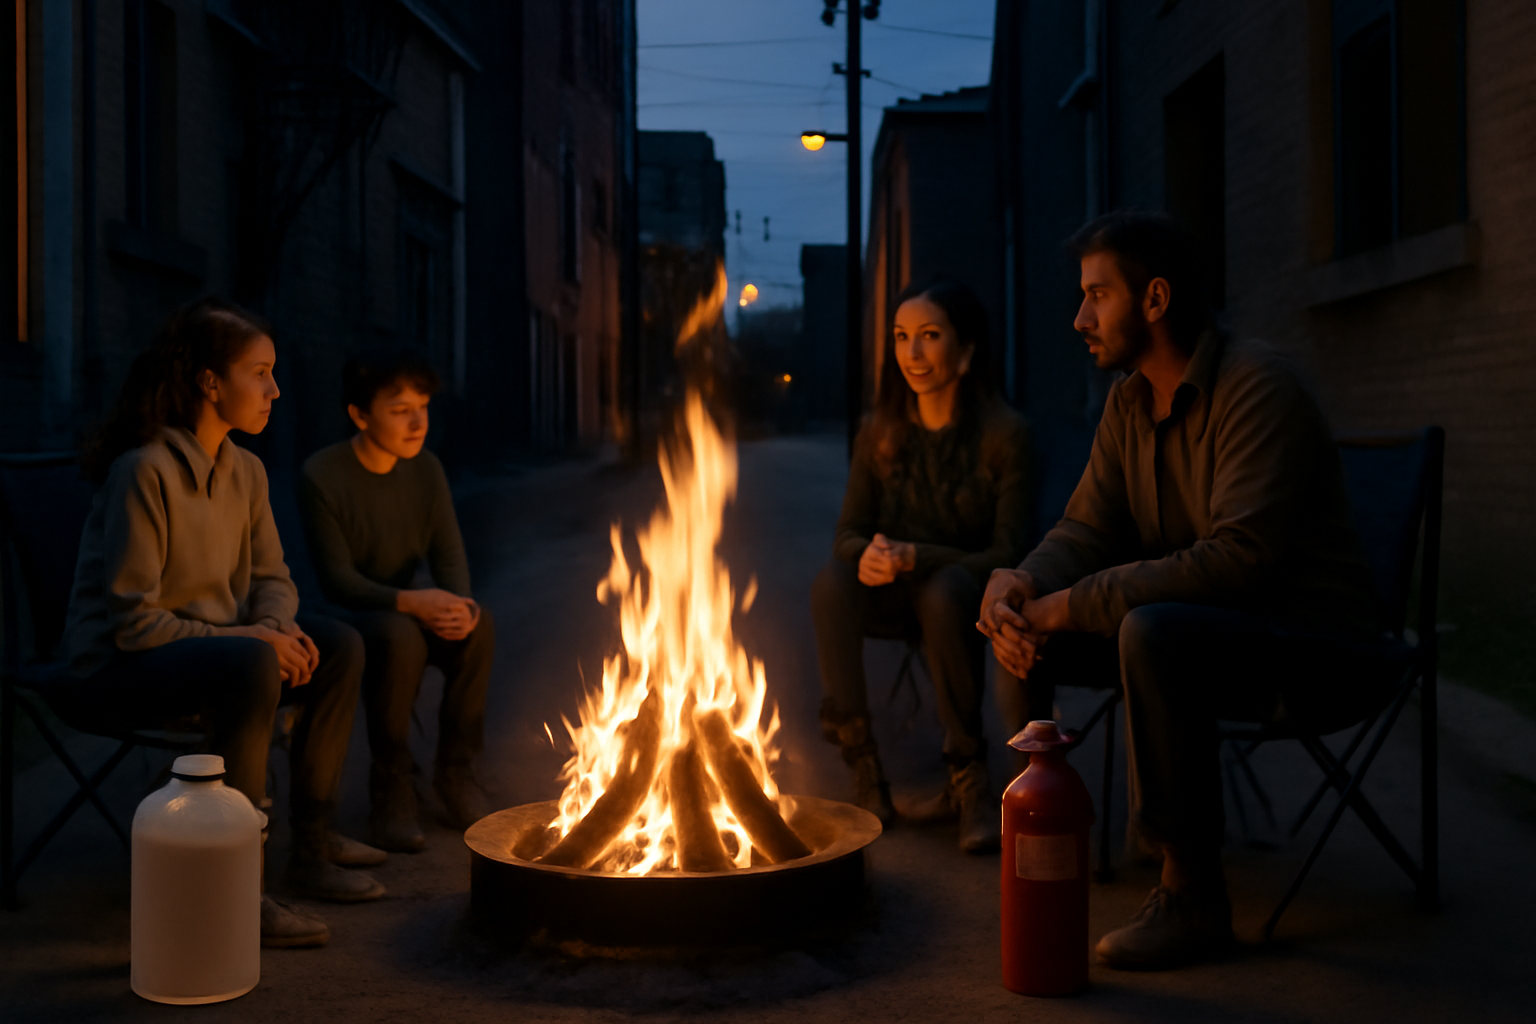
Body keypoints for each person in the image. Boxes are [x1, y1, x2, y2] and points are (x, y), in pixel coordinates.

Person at [978, 211, 1393, 969]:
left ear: (1156, 300)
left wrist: (1071, 603)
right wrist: (1023, 584)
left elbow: (1239, 562)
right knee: (1048, 624)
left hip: (1312, 645)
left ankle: (1193, 893)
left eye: (1097, 296)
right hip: (1207, 631)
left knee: (1149, 629)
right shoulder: (1130, 403)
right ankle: (1039, 831)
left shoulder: (1256, 388)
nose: (1079, 318)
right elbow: (1086, 528)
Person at [63, 298, 383, 950]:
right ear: (211, 382)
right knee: (252, 661)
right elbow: (133, 625)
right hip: (117, 669)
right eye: (259, 372)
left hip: (218, 657)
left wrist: (274, 626)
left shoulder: (246, 470)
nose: (275, 388)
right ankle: (234, 888)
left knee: (339, 644)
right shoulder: (144, 471)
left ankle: (311, 847)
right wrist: (253, 640)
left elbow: (274, 579)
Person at [811, 279, 1031, 853]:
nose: (911, 353)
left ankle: (969, 783)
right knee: (834, 582)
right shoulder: (880, 432)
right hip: (893, 594)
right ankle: (865, 770)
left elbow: (1009, 554)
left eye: (929, 337)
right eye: (901, 337)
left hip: (965, 597)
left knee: (946, 587)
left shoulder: (1006, 435)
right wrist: (868, 555)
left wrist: (917, 556)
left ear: (965, 349)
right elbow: (847, 534)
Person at [298, 350, 495, 853]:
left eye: (423, 407)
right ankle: (392, 781)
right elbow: (338, 580)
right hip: (347, 617)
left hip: (406, 606)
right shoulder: (322, 475)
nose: (417, 421)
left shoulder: (426, 469)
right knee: (399, 634)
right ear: (359, 415)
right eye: (399, 408)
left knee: (479, 626)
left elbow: (450, 560)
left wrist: (461, 606)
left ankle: (456, 772)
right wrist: (413, 601)